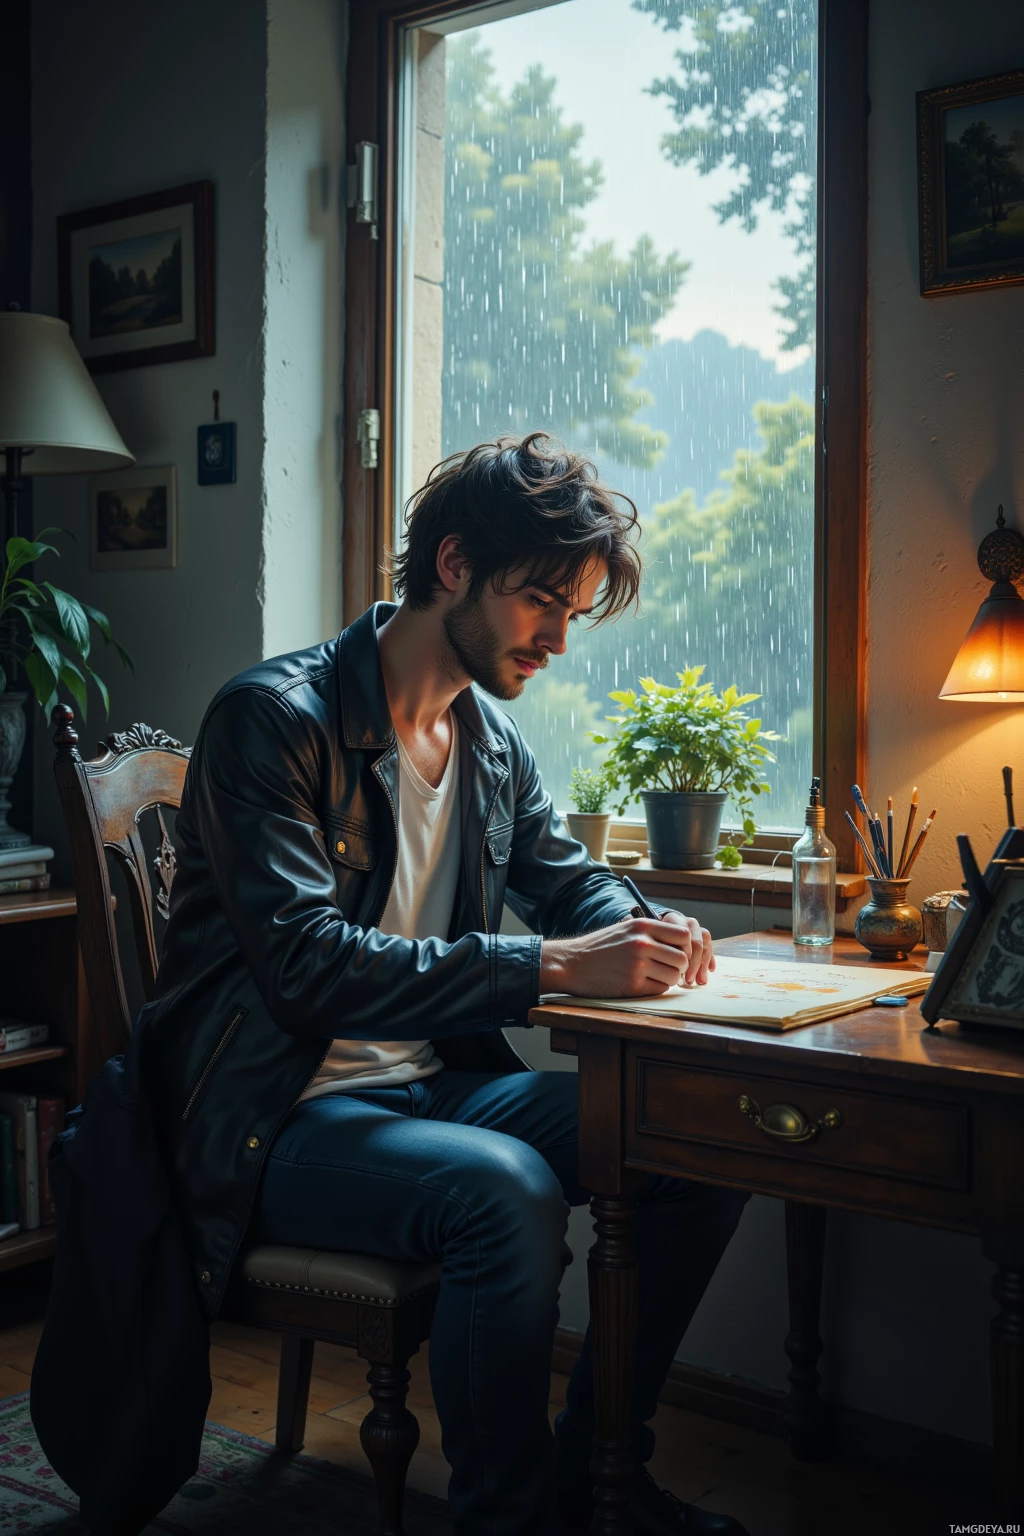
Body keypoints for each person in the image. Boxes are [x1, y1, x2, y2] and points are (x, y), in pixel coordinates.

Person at [143, 432, 751, 1536]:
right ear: (455, 565)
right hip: (268, 1121)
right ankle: (502, 1520)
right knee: (502, 1190)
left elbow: (570, 889)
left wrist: (645, 930)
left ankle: (597, 1476)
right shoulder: (270, 721)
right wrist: (550, 969)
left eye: (572, 612)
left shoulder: (491, 745)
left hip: (424, 1094)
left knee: (689, 1138)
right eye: (540, 604)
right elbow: (303, 967)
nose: (560, 639)